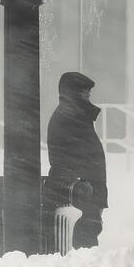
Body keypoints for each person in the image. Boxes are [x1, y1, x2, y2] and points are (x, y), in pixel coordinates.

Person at [45, 71, 108, 250]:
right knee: (84, 245)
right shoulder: (70, 118)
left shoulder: (75, 116)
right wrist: (86, 188)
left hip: (85, 192)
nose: (88, 95)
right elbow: (68, 158)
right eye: (84, 91)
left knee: (87, 239)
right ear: (73, 93)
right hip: (81, 194)